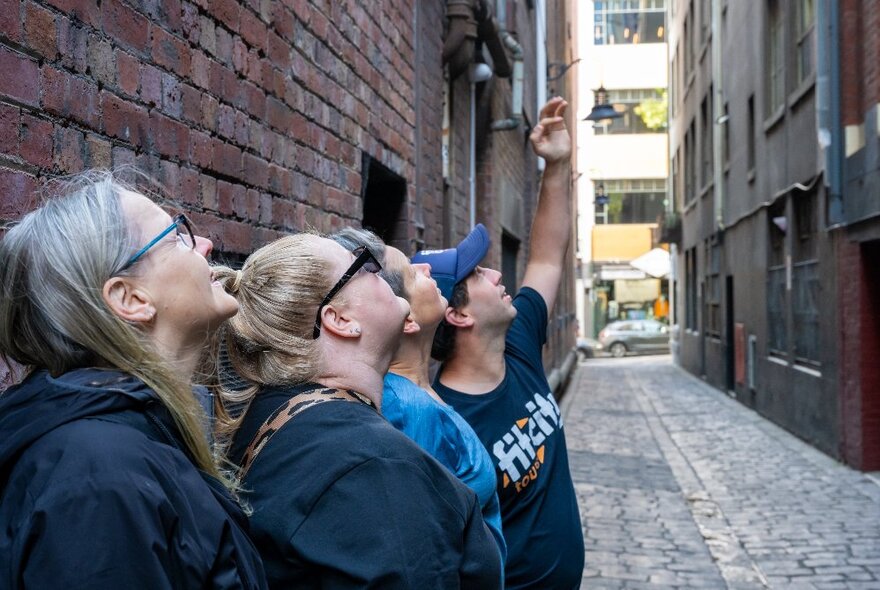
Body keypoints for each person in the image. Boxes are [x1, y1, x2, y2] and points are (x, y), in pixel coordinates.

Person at [0, 171, 268, 589]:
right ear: (130, 299)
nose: (205, 245)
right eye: (178, 235)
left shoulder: (124, 448)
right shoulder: (99, 479)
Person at [214, 233, 502, 589]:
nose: (379, 270)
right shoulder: (373, 466)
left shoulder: (272, 415)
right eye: (365, 265)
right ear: (340, 319)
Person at [412, 97, 585, 589]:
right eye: (477, 272)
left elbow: (548, 256)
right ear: (458, 314)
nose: (495, 271)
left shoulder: (520, 343)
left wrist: (557, 165)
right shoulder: (445, 423)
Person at [331, 227, 507, 565]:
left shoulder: (418, 397)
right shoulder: (406, 410)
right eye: (413, 274)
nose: (424, 268)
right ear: (406, 318)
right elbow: (424, 545)